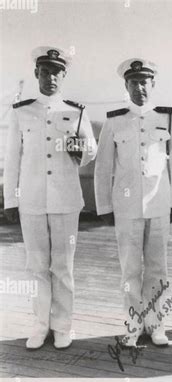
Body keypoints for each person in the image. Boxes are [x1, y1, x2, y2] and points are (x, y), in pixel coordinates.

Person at [3, 46, 97, 350]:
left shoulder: (76, 110)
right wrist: (11, 202)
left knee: (63, 266)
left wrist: (78, 152)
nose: (51, 77)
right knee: (36, 266)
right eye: (45, 71)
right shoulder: (21, 111)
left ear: (64, 75)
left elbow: (92, 150)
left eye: (57, 72)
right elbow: (12, 159)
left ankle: (62, 326)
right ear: (36, 74)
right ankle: (40, 325)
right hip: (31, 200)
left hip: (66, 200)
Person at [94, 58, 172, 347]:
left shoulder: (167, 118)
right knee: (130, 269)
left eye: (144, 82)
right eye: (134, 82)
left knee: (158, 268)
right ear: (126, 85)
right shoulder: (114, 120)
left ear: (153, 84)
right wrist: (104, 207)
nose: (139, 87)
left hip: (159, 204)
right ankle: (133, 325)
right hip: (127, 206)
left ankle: (156, 324)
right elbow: (103, 166)